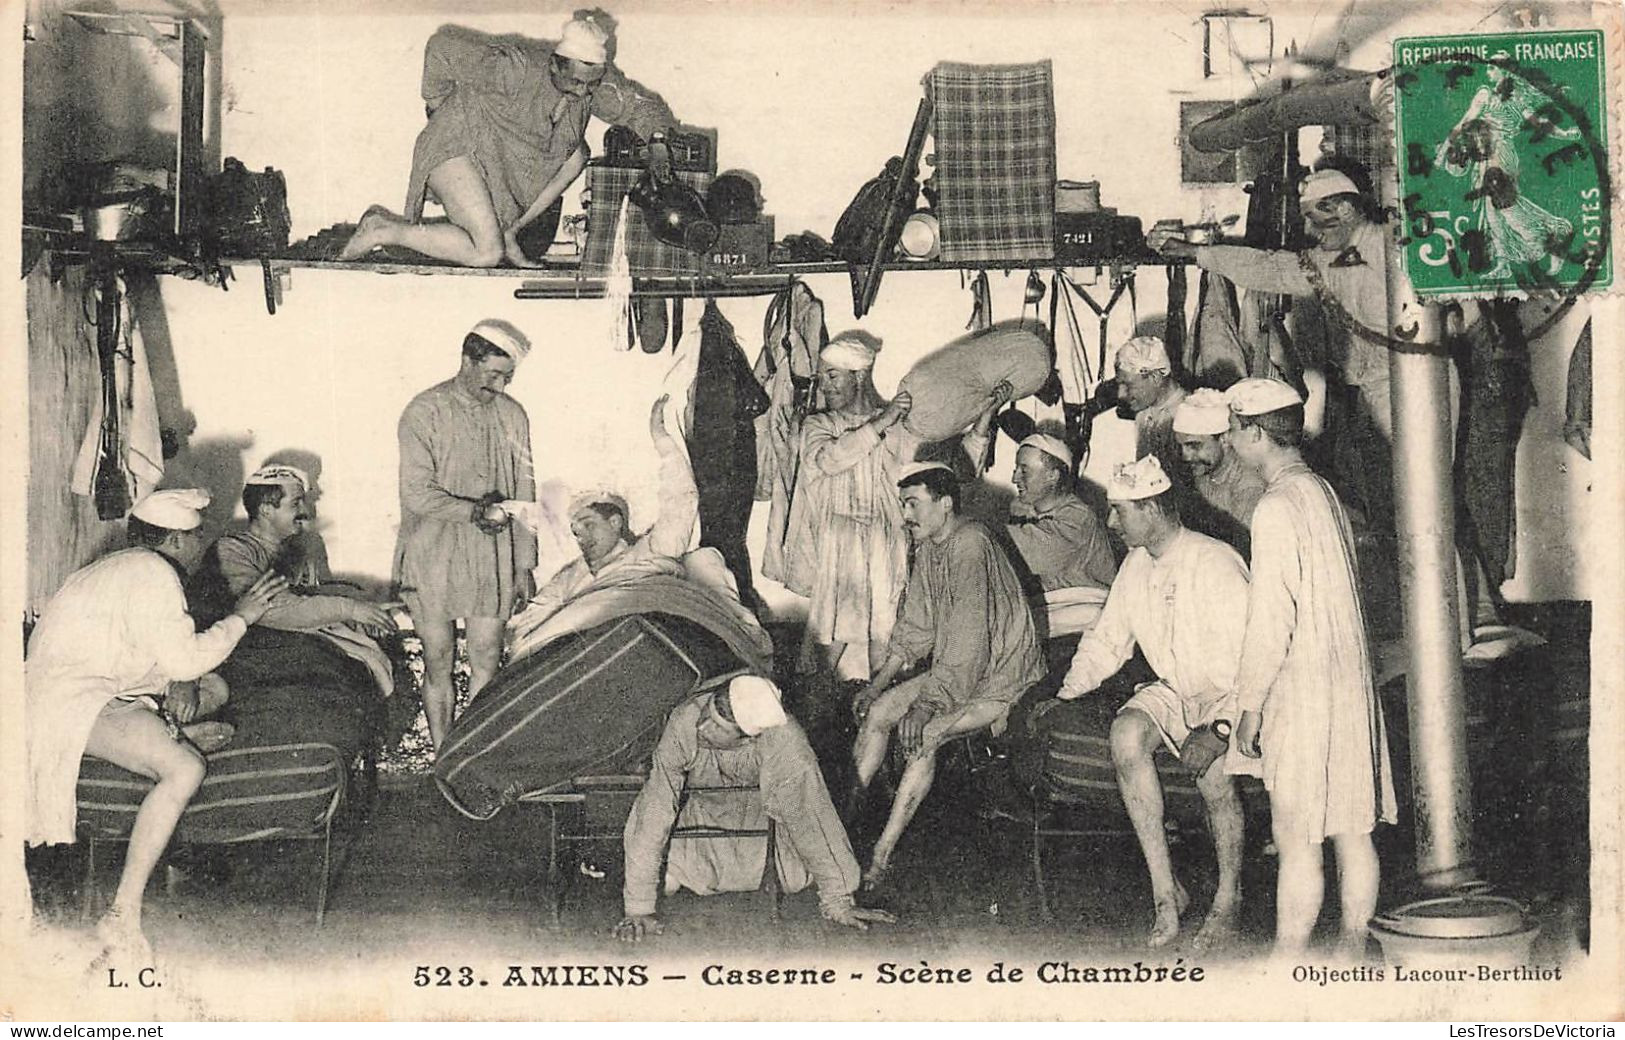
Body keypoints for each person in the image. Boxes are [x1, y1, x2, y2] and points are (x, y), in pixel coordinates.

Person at [24, 489, 285, 958]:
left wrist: (179, 682)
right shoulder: (155, 574)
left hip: (83, 691)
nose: (203, 544)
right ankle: (122, 914)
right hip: (71, 704)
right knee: (186, 770)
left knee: (214, 689)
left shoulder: (118, 565)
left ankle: (170, 730)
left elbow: (150, 654)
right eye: (198, 535)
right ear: (180, 540)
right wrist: (243, 617)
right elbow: (183, 659)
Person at [1037, 455, 1257, 949]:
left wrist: (1221, 729)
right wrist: (1065, 694)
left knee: (1215, 775)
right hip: (1177, 690)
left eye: (1120, 512)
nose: (1111, 523)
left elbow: (1257, 660)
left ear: (1152, 510)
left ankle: (1228, 896)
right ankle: (1166, 894)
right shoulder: (1137, 565)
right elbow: (1107, 640)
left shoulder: (1216, 560)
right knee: (1126, 732)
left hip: (1230, 695)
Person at [1224, 377, 1398, 958]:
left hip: (1303, 686)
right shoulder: (1321, 491)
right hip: (1348, 681)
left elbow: (1273, 618)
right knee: (1353, 827)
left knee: (1296, 836)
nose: (1228, 439)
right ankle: (1352, 948)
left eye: (1233, 428)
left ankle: (1287, 961)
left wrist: (1249, 706)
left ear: (1254, 434)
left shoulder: (1274, 506)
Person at [341, 9, 680, 268]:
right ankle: (382, 229)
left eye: (591, 84)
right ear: (556, 65)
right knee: (486, 253)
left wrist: (659, 143)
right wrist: (437, 105)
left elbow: (643, 108)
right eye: (576, 82)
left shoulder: (593, 87)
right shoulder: (514, 69)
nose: (583, 92)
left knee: (576, 154)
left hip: (493, 161)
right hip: (456, 147)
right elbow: (440, 48)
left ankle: (510, 229)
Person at [849, 464, 1045, 887]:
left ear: (945, 504)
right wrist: (878, 684)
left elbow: (969, 643)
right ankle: (844, 827)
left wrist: (927, 705)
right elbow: (917, 628)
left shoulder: (971, 544)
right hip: (960, 672)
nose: (906, 515)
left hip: (1003, 678)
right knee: (879, 713)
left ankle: (880, 857)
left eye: (913, 504)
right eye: (903, 504)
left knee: (926, 735)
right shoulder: (933, 546)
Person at [614, 675, 896, 941]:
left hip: (764, 828)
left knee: (798, 874)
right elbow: (655, 808)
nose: (702, 727)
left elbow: (812, 816)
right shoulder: (685, 719)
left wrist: (838, 899)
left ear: (749, 737)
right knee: (666, 877)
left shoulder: (785, 742)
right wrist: (638, 907)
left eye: (717, 728)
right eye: (706, 715)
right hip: (702, 821)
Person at [395, 319, 537, 750]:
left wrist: (525, 564)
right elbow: (417, 495)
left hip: (490, 555)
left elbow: (525, 493)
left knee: (486, 658)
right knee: (438, 660)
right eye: (493, 374)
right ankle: (443, 756)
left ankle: (471, 757)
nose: (499, 386)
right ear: (467, 361)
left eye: (507, 377)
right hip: (431, 551)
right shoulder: (424, 411)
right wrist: (474, 511)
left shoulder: (512, 415)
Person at [781, 331, 919, 682]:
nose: (824, 387)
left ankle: (881, 720)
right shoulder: (818, 425)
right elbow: (828, 460)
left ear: (859, 376)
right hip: (838, 546)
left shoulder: (896, 426)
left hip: (886, 544)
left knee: (886, 635)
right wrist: (881, 423)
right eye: (822, 377)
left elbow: (925, 470)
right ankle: (808, 714)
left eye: (832, 376)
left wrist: (981, 420)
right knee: (825, 639)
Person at [192, 464, 399, 695]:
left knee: (369, 661)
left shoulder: (305, 545)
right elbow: (270, 610)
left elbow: (319, 596)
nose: (305, 511)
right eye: (295, 503)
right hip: (253, 649)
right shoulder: (232, 549)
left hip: (298, 640)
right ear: (266, 510)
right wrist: (350, 609)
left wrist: (367, 613)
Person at [962, 392, 1117, 637]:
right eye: (1016, 469)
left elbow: (1029, 553)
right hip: (1049, 606)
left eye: (1024, 470)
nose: (1015, 478)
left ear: (1053, 475)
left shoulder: (1078, 518)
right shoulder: (1023, 507)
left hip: (1087, 614)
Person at [1435, 54, 1582, 280]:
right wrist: (1446, 148)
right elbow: (1466, 121)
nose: (1488, 72)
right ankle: (1505, 262)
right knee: (1494, 213)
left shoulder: (1513, 97)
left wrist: (1564, 134)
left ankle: (1555, 234)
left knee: (1505, 207)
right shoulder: (1490, 94)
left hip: (1499, 155)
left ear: (1506, 71)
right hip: (1487, 155)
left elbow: (1539, 124)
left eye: (1492, 68)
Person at [1172, 388, 1267, 556]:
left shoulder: (1249, 489)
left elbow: (1244, 555)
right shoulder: (1202, 472)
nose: (1185, 456)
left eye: (1194, 446)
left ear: (1224, 439)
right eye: (1181, 446)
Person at [1114, 335, 1188, 478]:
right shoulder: (1143, 414)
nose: (1121, 394)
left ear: (1155, 377)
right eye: (1120, 385)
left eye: (1128, 385)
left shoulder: (1189, 415)